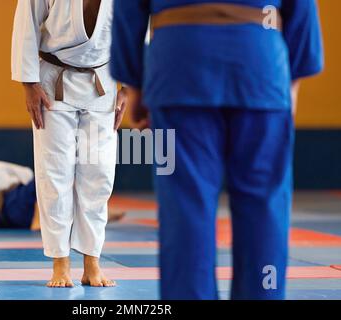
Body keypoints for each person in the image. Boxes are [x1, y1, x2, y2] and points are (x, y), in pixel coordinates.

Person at [110, 0, 323, 299]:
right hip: (259, 66)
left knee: (185, 206)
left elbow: (127, 9)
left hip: (179, 68)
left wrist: (134, 83)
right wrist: (290, 85)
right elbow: (302, 10)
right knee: (263, 208)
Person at [11, 0, 127, 288]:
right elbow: (26, 22)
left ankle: (92, 262)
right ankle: (60, 261)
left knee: (98, 175)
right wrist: (29, 83)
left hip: (103, 82)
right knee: (55, 173)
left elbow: (137, 28)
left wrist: (131, 85)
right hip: (52, 82)